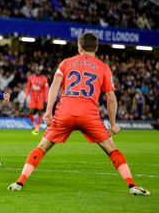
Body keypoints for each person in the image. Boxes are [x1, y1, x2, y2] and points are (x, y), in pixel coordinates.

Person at [8, 33, 150, 196]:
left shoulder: (66, 63)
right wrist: (113, 123)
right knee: (112, 149)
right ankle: (132, 185)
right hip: (89, 115)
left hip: (65, 112)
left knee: (42, 147)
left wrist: (48, 111)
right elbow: (111, 98)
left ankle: (20, 181)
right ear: (96, 48)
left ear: (79, 47)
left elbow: (54, 85)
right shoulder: (103, 67)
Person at [24, 65, 49, 135]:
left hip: (40, 98)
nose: (37, 71)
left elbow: (46, 90)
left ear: (40, 71)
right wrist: (25, 97)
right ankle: (34, 125)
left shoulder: (44, 78)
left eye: (39, 70)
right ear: (34, 70)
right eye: (36, 70)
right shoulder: (31, 78)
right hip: (33, 98)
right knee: (30, 112)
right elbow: (28, 88)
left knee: (40, 113)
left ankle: (37, 127)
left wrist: (46, 100)